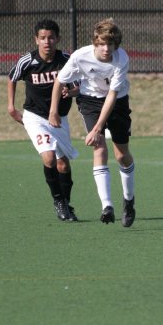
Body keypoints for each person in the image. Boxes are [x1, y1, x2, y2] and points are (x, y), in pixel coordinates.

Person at [49, 18, 135, 227]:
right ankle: (107, 206)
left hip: (117, 102)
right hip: (89, 101)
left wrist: (97, 128)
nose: (106, 49)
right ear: (95, 43)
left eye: (110, 44)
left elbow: (112, 95)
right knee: (98, 148)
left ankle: (129, 201)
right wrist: (53, 111)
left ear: (116, 45)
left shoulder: (121, 59)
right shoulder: (80, 56)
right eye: (102, 44)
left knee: (122, 155)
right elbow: (61, 80)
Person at [7, 19, 79, 222]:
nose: (47, 42)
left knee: (63, 164)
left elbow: (79, 86)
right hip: (35, 117)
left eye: (51, 38)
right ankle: (58, 201)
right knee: (49, 158)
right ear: (36, 40)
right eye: (42, 38)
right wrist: (11, 107)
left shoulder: (66, 59)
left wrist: (71, 91)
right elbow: (12, 78)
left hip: (59, 118)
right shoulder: (27, 61)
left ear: (57, 39)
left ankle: (66, 203)